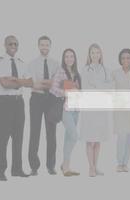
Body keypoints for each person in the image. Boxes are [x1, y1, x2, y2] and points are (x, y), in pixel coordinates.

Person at [0, 35, 32, 181]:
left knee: (18, 137)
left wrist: (16, 80)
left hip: (19, 103)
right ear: (5, 45)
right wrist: (20, 82)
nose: (13, 46)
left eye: (16, 44)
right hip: (5, 103)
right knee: (2, 138)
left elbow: (30, 83)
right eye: (10, 43)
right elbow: (5, 83)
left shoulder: (21, 63)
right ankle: (0, 170)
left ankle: (17, 169)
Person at [27, 36, 59, 176]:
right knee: (34, 132)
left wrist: (45, 82)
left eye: (47, 45)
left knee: (51, 134)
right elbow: (34, 84)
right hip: (36, 99)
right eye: (42, 45)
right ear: (38, 46)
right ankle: (34, 166)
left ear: (50, 46)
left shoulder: (55, 63)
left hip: (51, 99)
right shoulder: (32, 64)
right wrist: (48, 82)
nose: (44, 47)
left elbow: (56, 83)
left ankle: (51, 166)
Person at [80, 43, 112, 177]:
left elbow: (110, 87)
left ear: (101, 54)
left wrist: (98, 86)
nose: (95, 55)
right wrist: (101, 87)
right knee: (90, 139)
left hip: (101, 108)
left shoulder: (105, 69)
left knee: (98, 139)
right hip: (89, 108)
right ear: (89, 55)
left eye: (97, 52)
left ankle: (96, 166)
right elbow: (85, 89)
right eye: (92, 53)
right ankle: (91, 167)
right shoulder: (85, 70)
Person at [50, 49, 81, 177]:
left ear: (74, 58)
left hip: (76, 110)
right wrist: (65, 93)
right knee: (74, 136)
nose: (69, 59)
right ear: (64, 58)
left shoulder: (76, 73)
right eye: (66, 56)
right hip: (66, 109)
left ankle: (66, 167)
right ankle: (64, 164)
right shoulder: (60, 71)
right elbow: (53, 88)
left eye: (71, 56)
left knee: (69, 138)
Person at [112, 48, 130, 173]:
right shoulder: (115, 73)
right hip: (120, 109)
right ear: (120, 60)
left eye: (128, 58)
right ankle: (119, 163)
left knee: (129, 136)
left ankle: (125, 163)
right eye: (123, 58)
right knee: (121, 135)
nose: (125, 60)